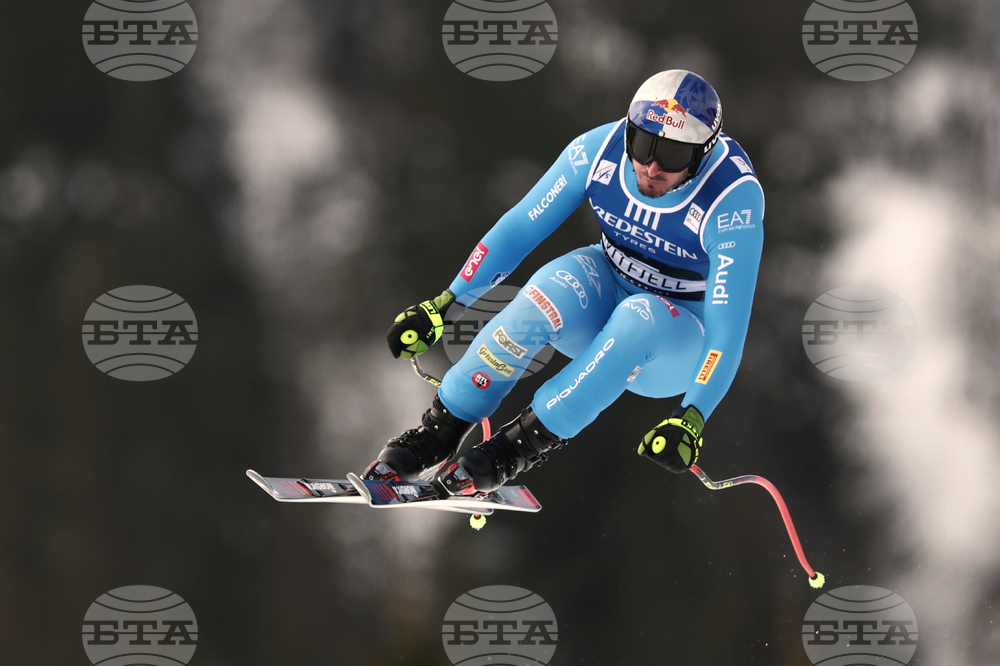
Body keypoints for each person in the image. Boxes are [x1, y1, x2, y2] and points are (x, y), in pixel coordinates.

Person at [364, 70, 764, 496]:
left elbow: (728, 328)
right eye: (644, 144)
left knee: (637, 317)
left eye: (672, 155)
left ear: (703, 153)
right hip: (606, 289)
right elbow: (520, 227)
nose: (652, 167)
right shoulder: (598, 151)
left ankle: (511, 450)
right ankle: (439, 431)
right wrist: (447, 302)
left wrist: (693, 415)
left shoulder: (732, 199)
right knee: (555, 283)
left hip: (677, 339)